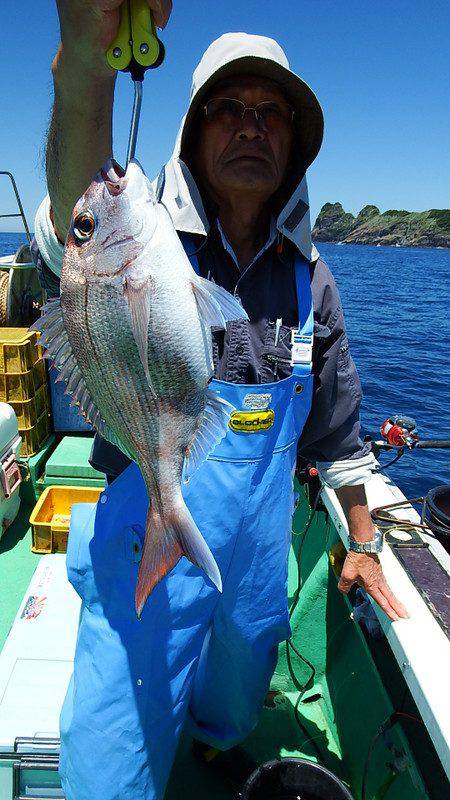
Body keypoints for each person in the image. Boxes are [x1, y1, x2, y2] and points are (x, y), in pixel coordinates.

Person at [32, 2, 408, 798]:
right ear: (195, 134)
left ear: (294, 146)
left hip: (256, 553)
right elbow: (78, 195)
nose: (251, 127)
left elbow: (339, 436)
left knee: (237, 681)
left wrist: (366, 542)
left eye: (271, 114)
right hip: (145, 536)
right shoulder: (138, 238)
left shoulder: (313, 282)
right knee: (110, 760)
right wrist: (83, 62)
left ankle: (211, 738)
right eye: (230, 110)